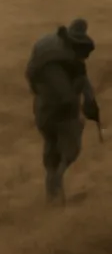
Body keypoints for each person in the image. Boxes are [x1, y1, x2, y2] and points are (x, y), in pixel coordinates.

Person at [25, 18, 100, 203]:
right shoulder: (63, 61)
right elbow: (69, 92)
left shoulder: (46, 47)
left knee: (51, 151)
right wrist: (82, 113)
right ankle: (56, 187)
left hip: (42, 109)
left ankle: (54, 195)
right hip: (60, 111)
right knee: (69, 150)